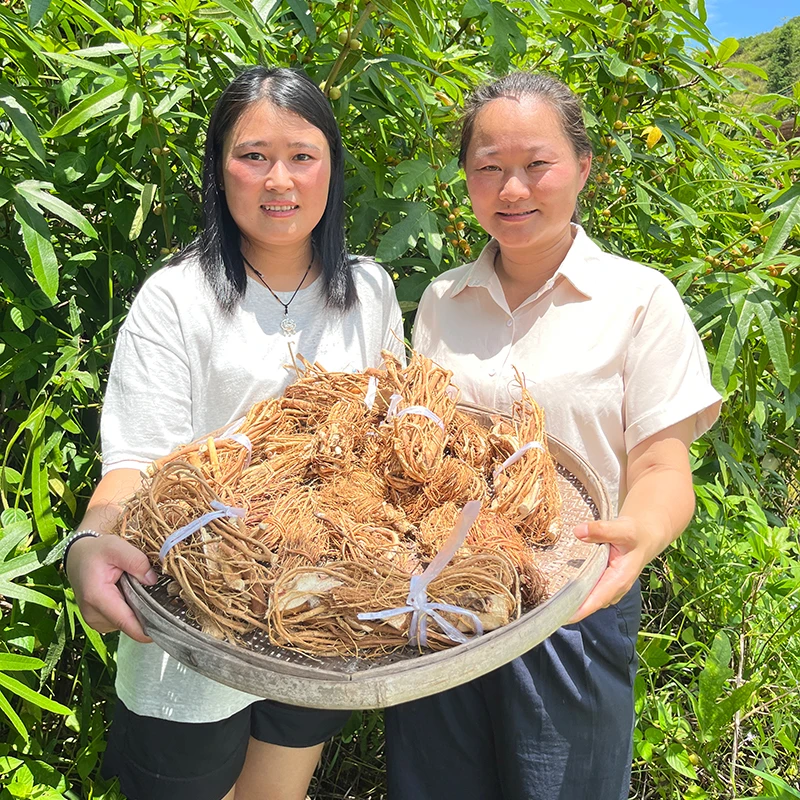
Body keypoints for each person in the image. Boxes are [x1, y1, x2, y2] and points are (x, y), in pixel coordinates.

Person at [64, 66, 404, 800]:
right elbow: (135, 462)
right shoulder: (177, 300)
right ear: (220, 171)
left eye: (302, 156)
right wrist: (91, 539)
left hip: (319, 620)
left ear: (332, 169)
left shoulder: (370, 292)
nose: (278, 180)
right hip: (192, 626)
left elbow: (388, 445)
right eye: (253, 156)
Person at [384, 72, 722, 800]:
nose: (513, 190)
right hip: (441, 598)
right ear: (466, 178)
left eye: (537, 165)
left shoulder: (639, 300)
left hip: (573, 604)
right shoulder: (442, 301)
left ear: (583, 167)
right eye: (489, 168)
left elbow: (663, 467)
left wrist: (639, 534)